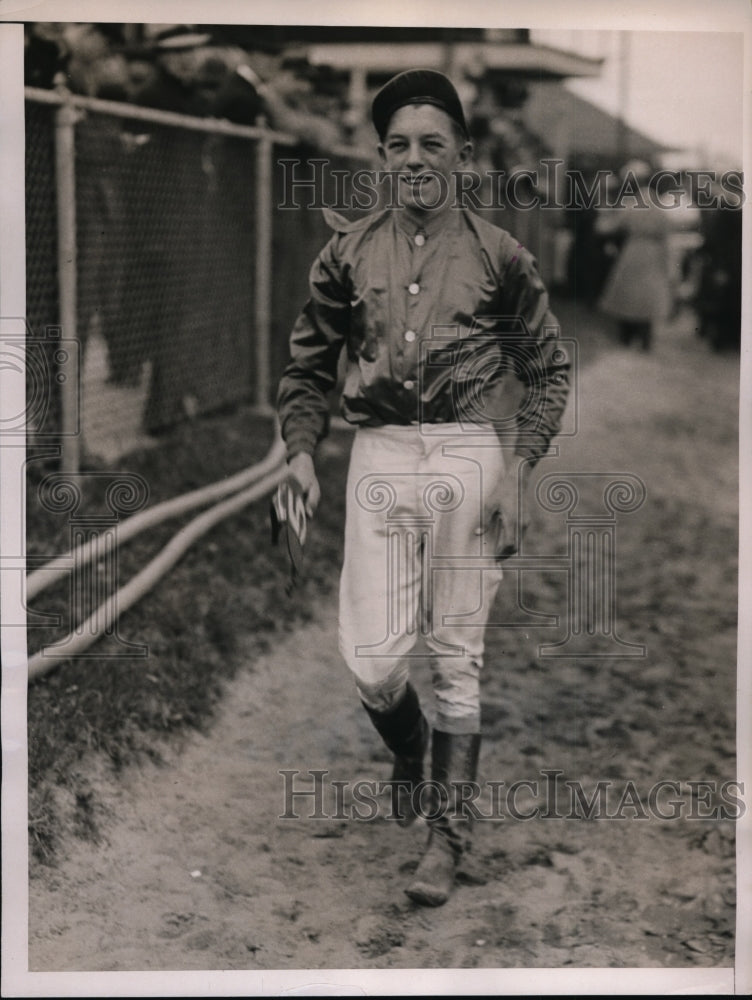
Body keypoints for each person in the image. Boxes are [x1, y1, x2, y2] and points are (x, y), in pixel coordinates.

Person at [276, 70, 570, 907]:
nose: (414, 160)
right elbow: (307, 365)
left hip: (468, 451)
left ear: (463, 157)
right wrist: (301, 449)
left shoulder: (499, 254)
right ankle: (407, 745)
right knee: (372, 661)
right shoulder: (345, 251)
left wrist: (519, 472)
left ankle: (447, 839)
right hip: (379, 451)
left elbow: (546, 369)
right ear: (380, 158)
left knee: (456, 657)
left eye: (432, 144)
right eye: (398, 145)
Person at [597, 159, 674, 351]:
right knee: (648, 295)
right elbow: (667, 233)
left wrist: (603, 213)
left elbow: (608, 227)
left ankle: (626, 337)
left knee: (628, 294)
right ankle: (645, 338)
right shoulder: (659, 206)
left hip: (634, 249)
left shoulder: (631, 204)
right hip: (653, 252)